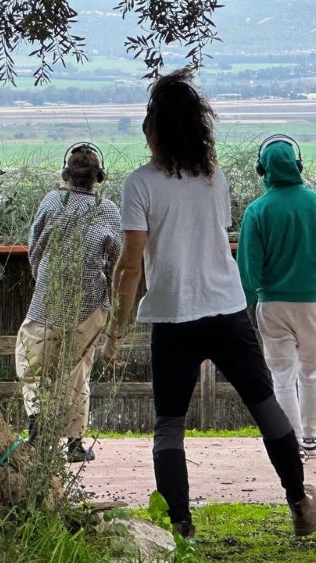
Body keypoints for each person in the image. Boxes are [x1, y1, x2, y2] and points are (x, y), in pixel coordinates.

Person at [107, 68, 316, 538]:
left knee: (169, 428)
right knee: (266, 410)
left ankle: (181, 525)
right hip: (227, 310)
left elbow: (131, 264)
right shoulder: (213, 177)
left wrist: (117, 327)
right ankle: (299, 503)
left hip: (172, 317)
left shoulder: (139, 184)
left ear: (155, 128)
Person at [16, 142, 121, 463]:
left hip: (46, 300)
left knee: (30, 363)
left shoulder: (52, 200)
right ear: (98, 176)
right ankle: (74, 444)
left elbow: (34, 245)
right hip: (90, 306)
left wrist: (43, 276)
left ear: (66, 173)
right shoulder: (109, 210)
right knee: (77, 373)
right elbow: (115, 262)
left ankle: (36, 423)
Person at [237, 134, 316, 459]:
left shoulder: (257, 211)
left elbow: (248, 267)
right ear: (297, 165)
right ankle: (311, 438)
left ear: (262, 169)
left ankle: (291, 441)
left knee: (282, 376)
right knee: (311, 371)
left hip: (272, 304)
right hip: (313, 302)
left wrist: (246, 305)